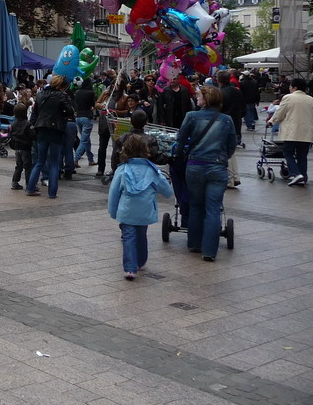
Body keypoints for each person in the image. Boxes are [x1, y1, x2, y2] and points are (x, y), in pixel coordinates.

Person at [174, 85, 236, 261]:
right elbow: (232, 144)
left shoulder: (191, 117)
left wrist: (179, 157)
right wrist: (222, 157)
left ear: (206, 99)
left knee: (196, 206)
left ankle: (194, 243)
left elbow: (180, 140)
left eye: (199, 96)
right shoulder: (226, 120)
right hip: (217, 167)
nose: (197, 98)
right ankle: (209, 251)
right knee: (213, 209)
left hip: (195, 166)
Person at [107, 134, 173, 280]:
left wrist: (113, 211)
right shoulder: (152, 170)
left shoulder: (122, 170)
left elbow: (114, 193)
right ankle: (141, 261)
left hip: (127, 210)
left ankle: (130, 269)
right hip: (145, 211)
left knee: (128, 237)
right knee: (141, 234)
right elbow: (167, 191)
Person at [26, 75, 75, 199]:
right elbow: (70, 111)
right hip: (56, 130)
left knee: (39, 162)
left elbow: (35, 113)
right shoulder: (61, 95)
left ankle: (30, 188)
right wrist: (62, 115)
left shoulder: (41, 94)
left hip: (42, 129)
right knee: (54, 163)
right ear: (61, 86)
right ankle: (52, 193)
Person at [270, 76, 313, 187]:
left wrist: (271, 122)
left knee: (288, 152)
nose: (290, 88)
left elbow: (279, 113)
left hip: (292, 132)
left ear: (295, 87)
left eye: (291, 86)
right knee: (302, 155)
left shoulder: (288, 98)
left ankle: (296, 174)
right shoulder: (311, 99)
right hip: (306, 132)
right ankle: (303, 176)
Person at [8, 102, 34, 190]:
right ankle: (29, 185)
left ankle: (15, 182)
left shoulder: (13, 124)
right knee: (28, 167)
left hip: (17, 148)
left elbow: (11, 135)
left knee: (18, 165)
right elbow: (32, 135)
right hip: (26, 148)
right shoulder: (27, 124)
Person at [73, 78, 96, 167]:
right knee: (84, 140)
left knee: (86, 139)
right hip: (87, 116)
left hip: (78, 117)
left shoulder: (77, 92)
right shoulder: (91, 93)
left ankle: (90, 159)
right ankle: (76, 159)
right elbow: (93, 105)